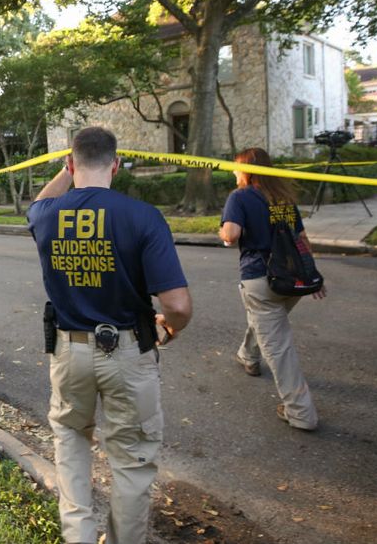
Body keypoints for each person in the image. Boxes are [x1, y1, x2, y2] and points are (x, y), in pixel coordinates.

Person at [27, 126, 192, 544]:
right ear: (116, 165)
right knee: (132, 461)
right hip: (129, 352)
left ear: (69, 164)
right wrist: (169, 331)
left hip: (69, 352)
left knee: (70, 442)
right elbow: (177, 305)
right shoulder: (142, 216)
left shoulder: (47, 216)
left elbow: (40, 201)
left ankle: (78, 536)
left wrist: (68, 173)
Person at [218, 147, 326, 431]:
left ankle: (301, 412)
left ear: (247, 169)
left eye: (235, 166)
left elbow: (231, 235)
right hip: (293, 280)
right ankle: (248, 356)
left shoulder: (239, 197)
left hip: (261, 279)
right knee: (269, 320)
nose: (233, 171)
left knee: (278, 346)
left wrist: (224, 232)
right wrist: (312, 274)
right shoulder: (284, 199)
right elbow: (301, 238)